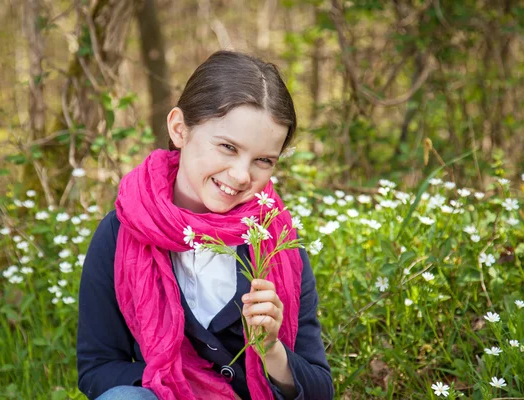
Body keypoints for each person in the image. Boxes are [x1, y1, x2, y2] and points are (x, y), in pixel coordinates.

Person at [77, 50, 334, 400]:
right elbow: (98, 368)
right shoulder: (121, 232)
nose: (242, 175)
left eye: (263, 160)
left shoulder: (276, 243)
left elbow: (320, 390)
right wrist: (185, 386)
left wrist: (273, 351)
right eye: (228, 147)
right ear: (180, 129)